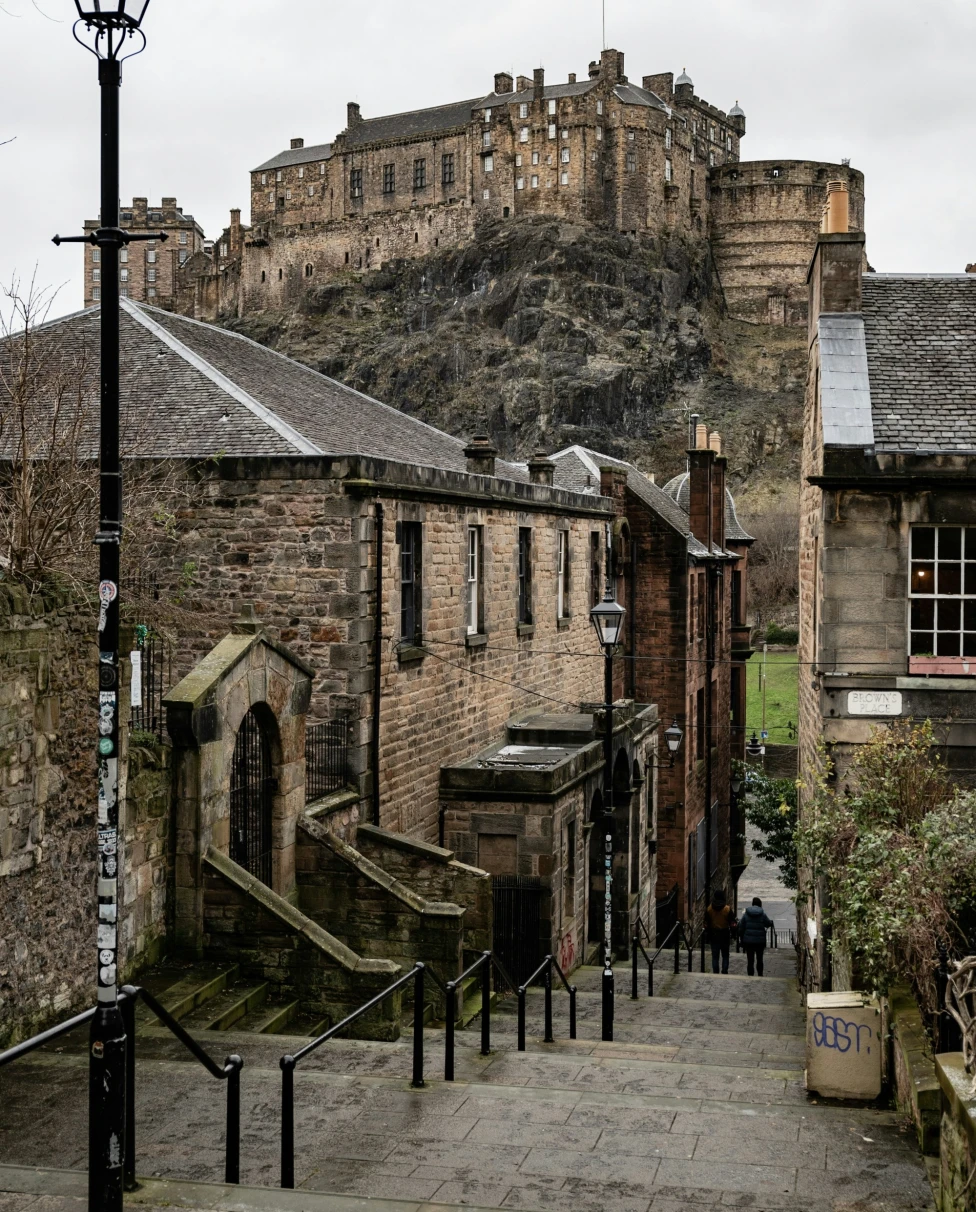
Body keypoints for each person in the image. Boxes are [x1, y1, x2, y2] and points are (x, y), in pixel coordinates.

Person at [737, 896, 774, 976]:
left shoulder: (746, 914)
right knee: (759, 959)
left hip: (748, 941)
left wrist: (742, 938)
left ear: (752, 904)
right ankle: (760, 974)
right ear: (760, 904)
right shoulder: (762, 914)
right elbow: (768, 923)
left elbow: (741, 926)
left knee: (750, 960)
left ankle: (750, 975)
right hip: (760, 941)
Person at [704, 890, 736, 974]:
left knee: (715, 956)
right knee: (725, 955)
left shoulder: (709, 909)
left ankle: (716, 971)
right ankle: (724, 970)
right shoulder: (727, 909)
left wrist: (707, 934)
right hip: (725, 934)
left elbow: (706, 924)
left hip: (714, 934)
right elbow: (732, 923)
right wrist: (734, 934)